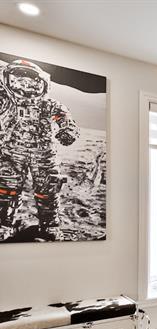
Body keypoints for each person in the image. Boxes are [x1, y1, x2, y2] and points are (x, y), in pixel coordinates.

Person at [0, 59, 79, 241]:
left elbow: (64, 116)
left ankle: (50, 225)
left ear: (43, 84)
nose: (25, 86)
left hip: (44, 156)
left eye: (32, 82)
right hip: (10, 154)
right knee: (6, 189)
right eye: (18, 81)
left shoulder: (48, 104)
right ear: (7, 80)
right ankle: (4, 224)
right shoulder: (5, 101)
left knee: (48, 191)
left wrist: (68, 130)